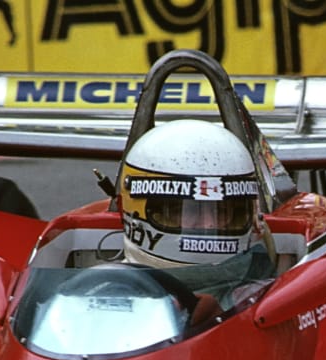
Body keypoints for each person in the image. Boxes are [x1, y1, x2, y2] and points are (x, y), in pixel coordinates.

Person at [117, 119, 278, 306]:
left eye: (222, 210)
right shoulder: (109, 294)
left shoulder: (267, 298)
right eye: (187, 210)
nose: (209, 223)